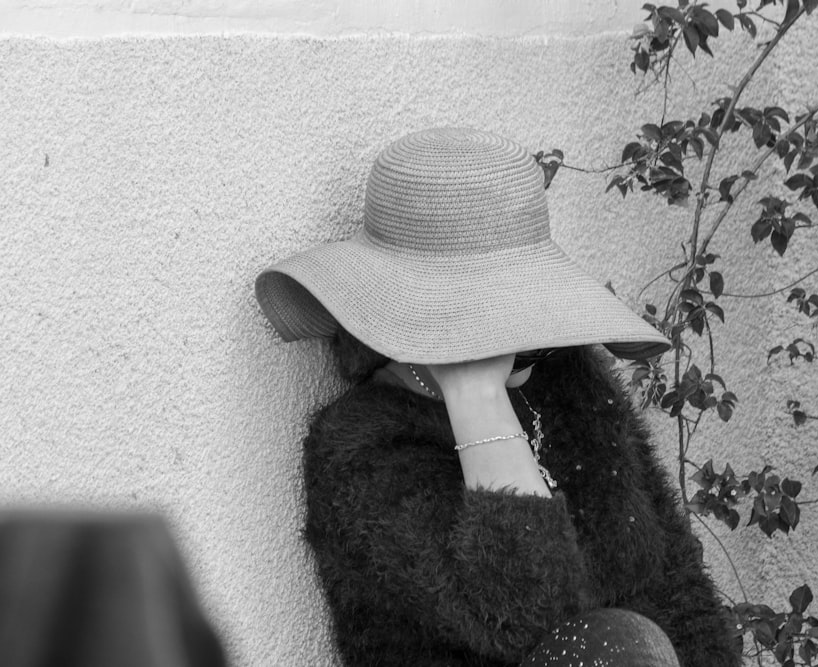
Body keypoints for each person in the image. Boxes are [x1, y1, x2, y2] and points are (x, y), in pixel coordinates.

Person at [255, 127, 742, 666]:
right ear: (424, 309)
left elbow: (674, 585)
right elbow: (537, 620)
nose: (526, 330)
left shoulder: (566, 378)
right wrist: (475, 394)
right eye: (497, 302)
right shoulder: (362, 452)